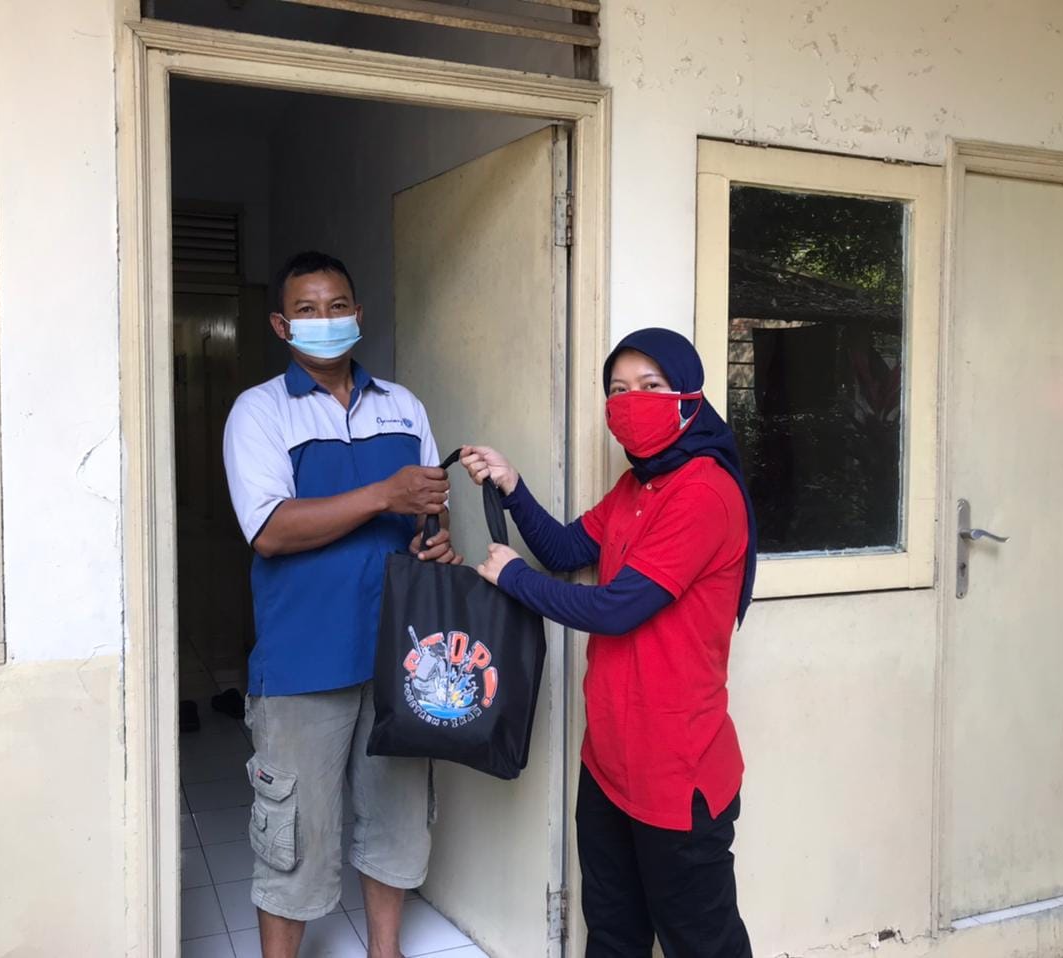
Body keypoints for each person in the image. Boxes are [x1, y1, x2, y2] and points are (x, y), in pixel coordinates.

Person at [460, 328, 757, 958]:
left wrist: (513, 579)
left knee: (703, 944)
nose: (631, 400)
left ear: (689, 395)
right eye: (618, 390)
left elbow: (617, 609)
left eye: (650, 385)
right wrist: (513, 488)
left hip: (677, 774)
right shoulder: (636, 487)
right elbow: (567, 550)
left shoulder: (703, 492)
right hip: (609, 763)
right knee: (614, 936)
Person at [223, 251, 460, 958]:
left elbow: (428, 512)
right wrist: (384, 494)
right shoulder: (260, 411)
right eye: (306, 309)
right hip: (303, 661)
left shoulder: (403, 406)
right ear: (281, 325)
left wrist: (434, 539)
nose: (324, 321)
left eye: (336, 307)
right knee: (294, 837)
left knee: (396, 821)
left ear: (358, 314)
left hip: (400, 657)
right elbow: (270, 531)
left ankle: (385, 951)